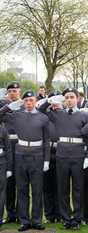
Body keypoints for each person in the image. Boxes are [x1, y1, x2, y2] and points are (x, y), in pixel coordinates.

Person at [39, 87, 88, 230]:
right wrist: (49, 101)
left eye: (71, 97)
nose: (69, 100)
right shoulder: (58, 114)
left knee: (78, 188)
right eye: (66, 98)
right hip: (62, 155)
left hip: (78, 155)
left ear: (77, 99)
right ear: (63, 100)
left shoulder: (83, 115)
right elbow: (41, 111)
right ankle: (65, 218)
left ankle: (77, 219)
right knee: (62, 188)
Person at [0, 90, 50, 231]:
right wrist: (9, 107)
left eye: (31, 100)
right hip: (21, 154)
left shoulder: (43, 118)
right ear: (23, 102)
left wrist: (46, 160)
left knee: (37, 189)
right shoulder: (17, 116)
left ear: (35, 101)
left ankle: (37, 220)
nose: (29, 103)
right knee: (22, 189)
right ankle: (24, 221)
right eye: (26, 101)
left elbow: (46, 140)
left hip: (38, 155)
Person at [2, 81, 22, 225]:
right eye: (10, 91)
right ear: (7, 93)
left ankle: (21, 213)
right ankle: (10, 214)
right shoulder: (3, 104)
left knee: (21, 182)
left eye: (15, 91)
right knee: (9, 184)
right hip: (8, 144)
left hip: (21, 145)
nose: (13, 93)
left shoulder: (25, 104)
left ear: (19, 91)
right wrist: (7, 107)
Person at [41, 90, 62, 224]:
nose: (54, 103)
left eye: (57, 100)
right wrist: (48, 101)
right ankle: (49, 215)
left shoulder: (65, 114)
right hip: (47, 154)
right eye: (52, 101)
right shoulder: (45, 115)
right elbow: (41, 108)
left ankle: (60, 214)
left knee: (60, 187)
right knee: (47, 187)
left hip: (60, 154)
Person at [0, 119, 12, 229]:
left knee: (1, 192)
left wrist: (9, 167)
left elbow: (8, 149)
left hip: (1, 162)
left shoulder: (3, 130)